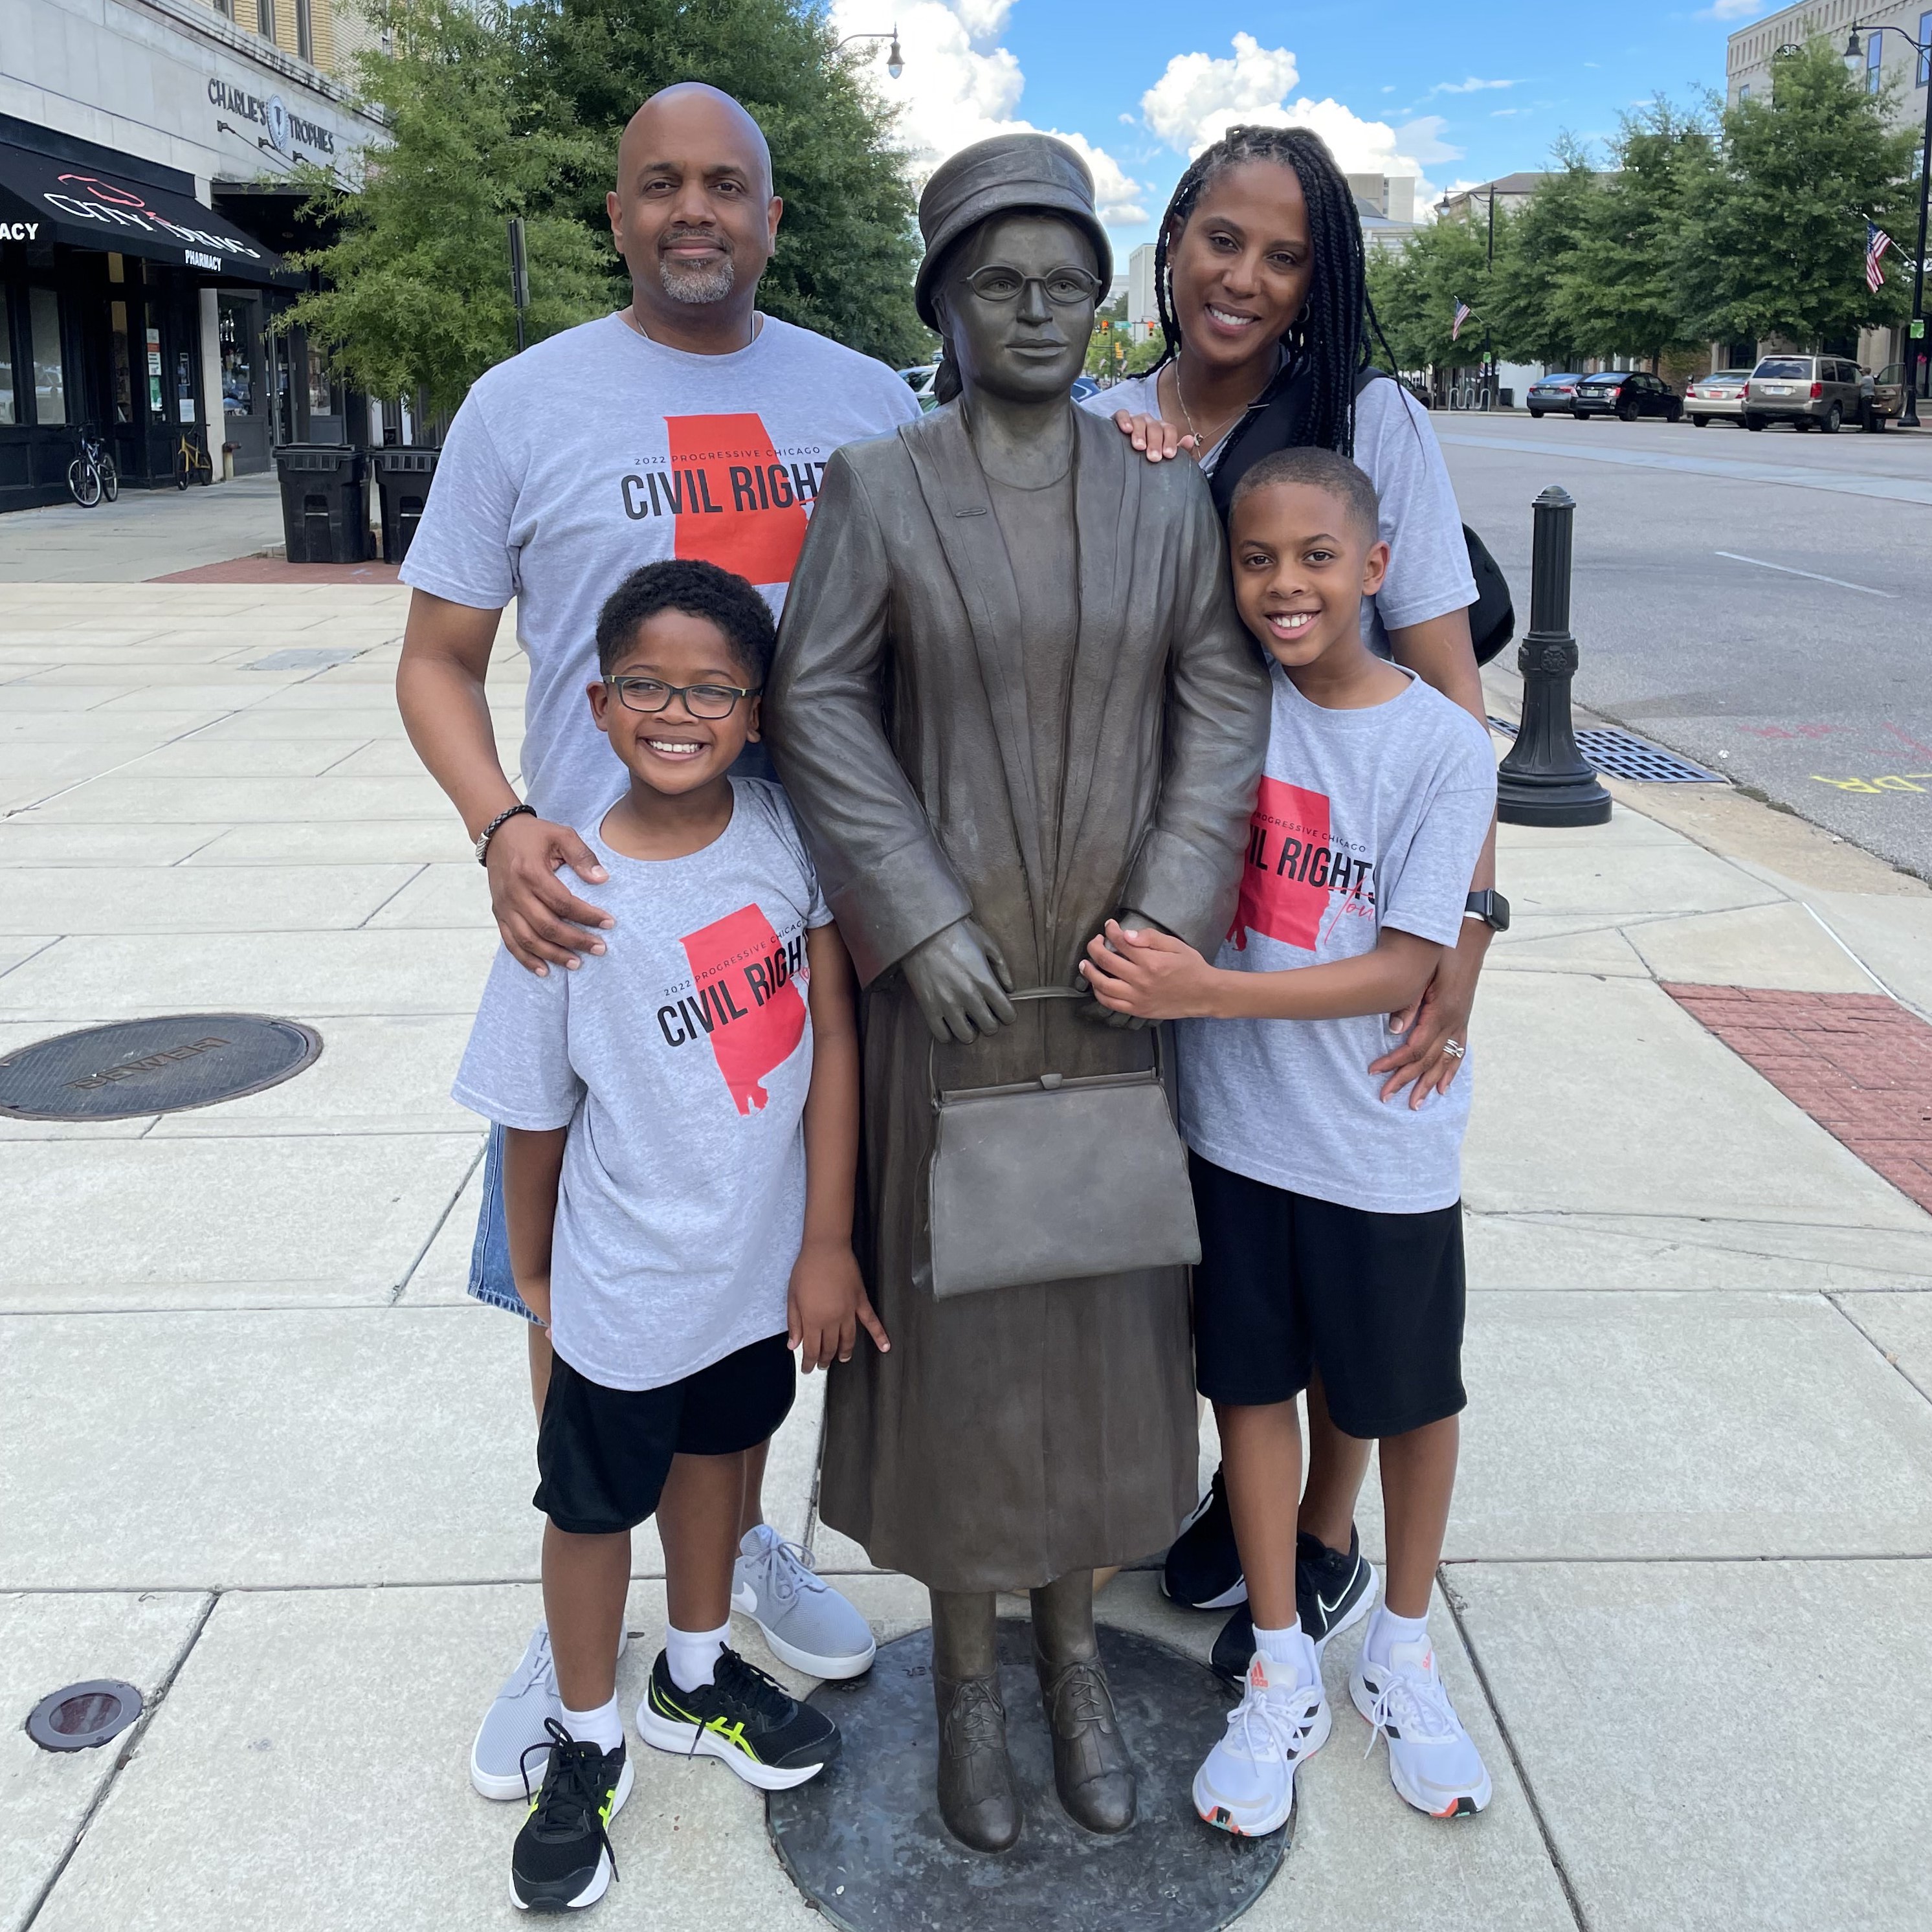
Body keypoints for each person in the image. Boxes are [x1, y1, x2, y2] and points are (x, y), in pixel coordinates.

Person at [396, 82, 918, 1797]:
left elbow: (991, 543)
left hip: (796, 934)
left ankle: (722, 1573)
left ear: (772, 216)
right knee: (573, 1302)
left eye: (728, 186)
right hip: (598, 941)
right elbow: (436, 659)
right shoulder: (518, 405)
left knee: (762, 1283)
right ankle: (583, 1648)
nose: (695, 209)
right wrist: (498, 828)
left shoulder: (864, 401)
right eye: (660, 185)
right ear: (617, 211)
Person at [764, 133, 1269, 1853]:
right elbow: (814, 699)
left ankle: (1076, 1655)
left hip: (1116, 993)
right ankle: (972, 1682)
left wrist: (1172, 916)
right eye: (1000, 282)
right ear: (949, 306)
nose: (1037, 309)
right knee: (966, 1343)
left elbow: (1219, 703)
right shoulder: (881, 485)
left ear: (1102, 297)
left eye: (1064, 280)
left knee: (1105, 1341)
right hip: (950, 1009)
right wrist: (912, 913)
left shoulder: (1165, 498)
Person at [1078, 123, 1505, 1677]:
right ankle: (1244, 1506)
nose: (1244, 278)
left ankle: (1324, 1532)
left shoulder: (1363, 416)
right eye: (1220, 240)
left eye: (1283, 254)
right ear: (1170, 239)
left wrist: (1462, 936)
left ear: (1314, 278)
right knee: (1236, 1251)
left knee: (1346, 1223)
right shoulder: (1106, 414)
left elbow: (1446, 692)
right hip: (1187, 894)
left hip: (1336, 913)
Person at [452, 559, 885, 1911]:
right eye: (647, 683)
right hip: (626, 1284)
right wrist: (534, 1269)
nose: (677, 709)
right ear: (598, 700)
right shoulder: (567, 892)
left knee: (722, 1464)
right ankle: (584, 1732)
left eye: (711, 688)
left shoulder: (781, 838)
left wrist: (823, 1238)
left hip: (751, 1277)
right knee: (587, 1505)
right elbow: (532, 1113)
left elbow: (827, 1040)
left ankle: (693, 1670)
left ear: (755, 712)